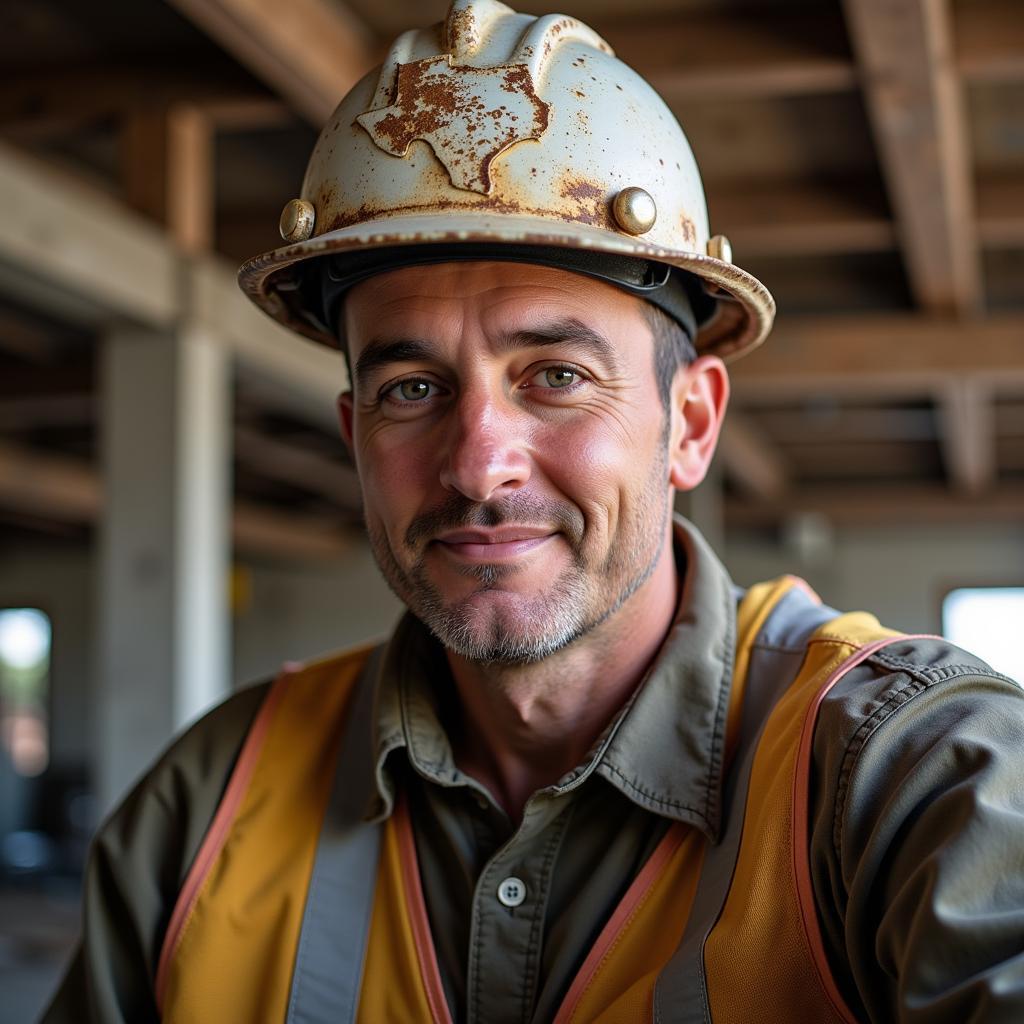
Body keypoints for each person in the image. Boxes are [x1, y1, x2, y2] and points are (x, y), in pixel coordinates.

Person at [44, 1, 1024, 1021]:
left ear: (690, 423)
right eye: (411, 388)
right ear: (353, 434)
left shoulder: (911, 780)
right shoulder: (206, 809)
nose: (476, 466)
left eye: (553, 374)